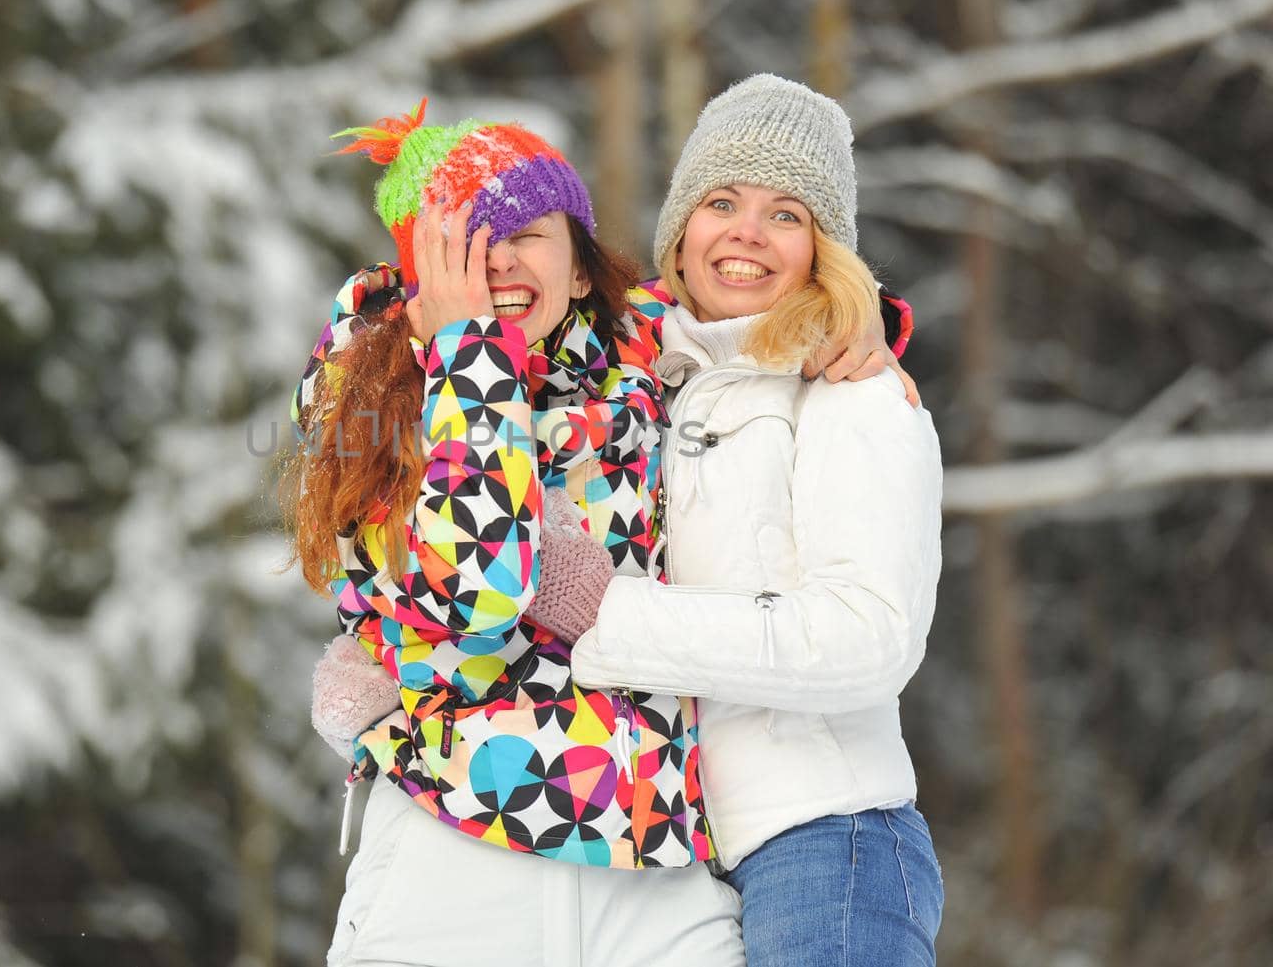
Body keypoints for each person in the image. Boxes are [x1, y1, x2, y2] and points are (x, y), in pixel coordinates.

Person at [285, 102, 743, 966]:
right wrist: (469, 347)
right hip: (454, 841)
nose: (496, 255)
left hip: (652, 861)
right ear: (420, 265)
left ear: (579, 269)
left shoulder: (637, 349)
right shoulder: (366, 383)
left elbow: (766, 306)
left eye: (527, 231)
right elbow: (481, 591)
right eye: (464, 235)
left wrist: (858, 321)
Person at [570, 74, 946, 967]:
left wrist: (605, 615)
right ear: (681, 229)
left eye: (787, 213)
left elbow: (872, 636)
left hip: (825, 841)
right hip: (668, 851)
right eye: (722, 200)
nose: (745, 231)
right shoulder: (632, 388)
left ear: (824, 251)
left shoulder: (853, 395)